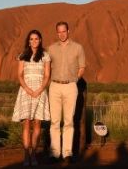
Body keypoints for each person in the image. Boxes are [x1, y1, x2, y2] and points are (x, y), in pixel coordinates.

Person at [48, 21, 86, 163]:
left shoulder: (78, 48)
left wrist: (75, 80)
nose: (62, 34)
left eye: (64, 31)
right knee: (55, 121)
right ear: (57, 32)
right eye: (59, 32)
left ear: (68, 31)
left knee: (69, 121)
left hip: (70, 86)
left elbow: (82, 67)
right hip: (55, 86)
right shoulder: (51, 49)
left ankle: (67, 153)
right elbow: (47, 67)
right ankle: (54, 153)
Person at [12, 29, 51, 167]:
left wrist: (40, 89)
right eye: (31, 39)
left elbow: (47, 75)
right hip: (25, 91)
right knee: (27, 124)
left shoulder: (45, 56)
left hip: (40, 91)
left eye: (36, 39)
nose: (34, 41)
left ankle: (34, 153)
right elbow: (20, 75)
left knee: (37, 125)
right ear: (28, 41)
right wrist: (28, 89)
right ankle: (26, 154)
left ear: (40, 40)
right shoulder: (23, 55)